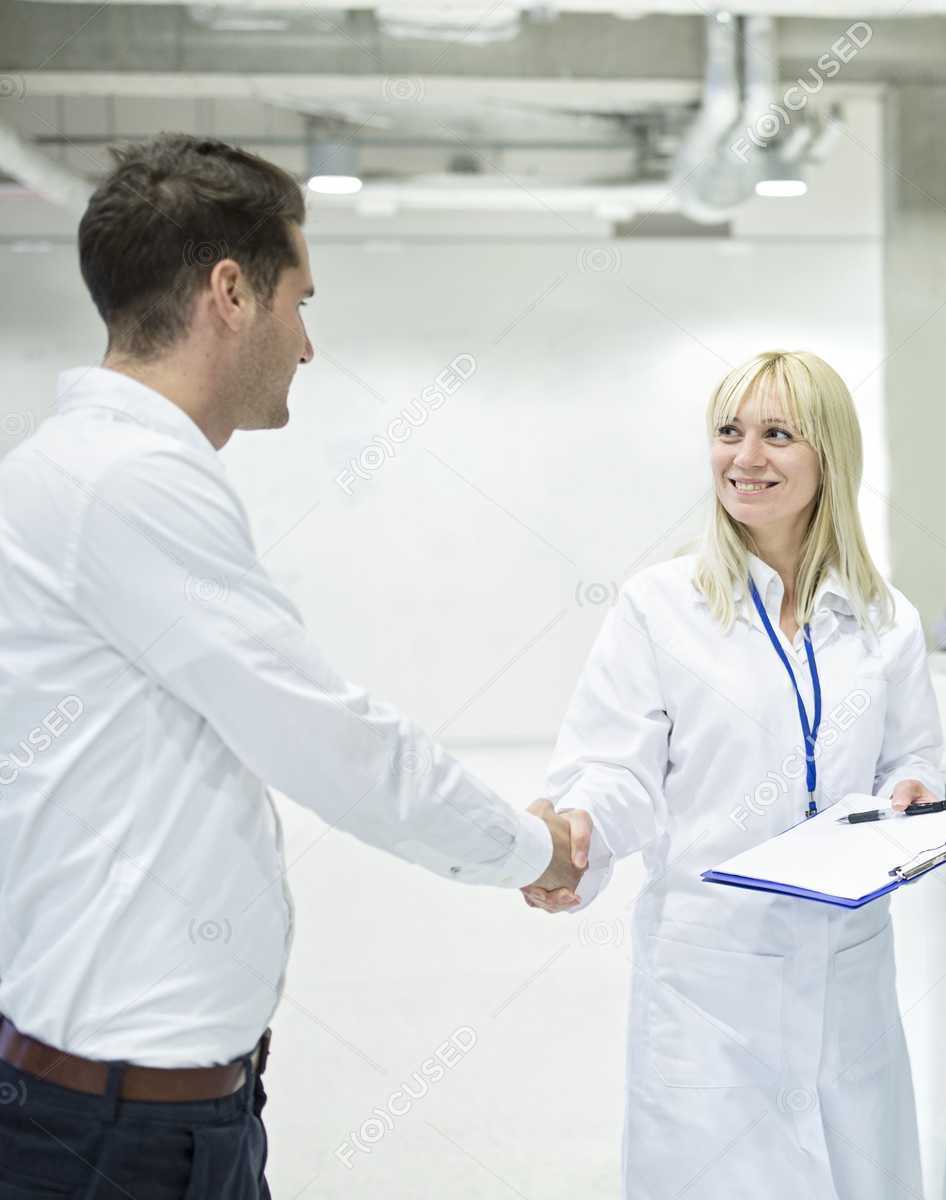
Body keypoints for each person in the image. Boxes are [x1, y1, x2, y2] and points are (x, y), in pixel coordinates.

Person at [0, 135, 588, 1198]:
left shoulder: (68, 472)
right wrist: (530, 847)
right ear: (231, 292)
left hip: (142, 1109)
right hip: (119, 1136)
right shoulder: (127, 485)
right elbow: (331, 744)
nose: (309, 345)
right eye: (299, 300)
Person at [522, 350, 945, 1198]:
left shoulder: (884, 618)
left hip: (846, 969)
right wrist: (579, 833)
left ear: (830, 455)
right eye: (729, 433)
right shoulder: (660, 607)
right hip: (710, 982)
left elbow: (914, 756)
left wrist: (916, 792)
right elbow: (617, 770)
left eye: (778, 435)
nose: (745, 458)